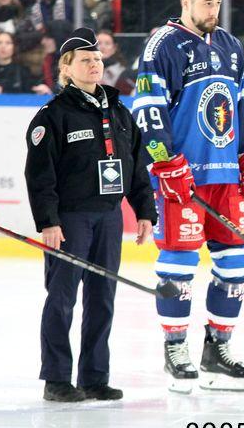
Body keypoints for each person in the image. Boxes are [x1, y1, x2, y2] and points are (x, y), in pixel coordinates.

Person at [132, 0, 244, 393]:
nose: (215, 10)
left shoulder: (230, 46)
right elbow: (147, 109)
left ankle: (217, 348)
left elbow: (238, 107)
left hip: (225, 176)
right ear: (186, 2)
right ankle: (175, 348)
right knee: (179, 263)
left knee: (237, 261)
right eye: (207, 3)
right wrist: (165, 163)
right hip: (183, 177)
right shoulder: (162, 45)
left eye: (218, 2)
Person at [25, 27, 157, 402]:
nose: (95, 64)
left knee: (102, 299)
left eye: (97, 59)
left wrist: (144, 212)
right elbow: (40, 175)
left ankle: (95, 377)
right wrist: (48, 221)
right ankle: (56, 378)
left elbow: (136, 167)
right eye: (85, 60)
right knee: (62, 299)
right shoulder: (53, 116)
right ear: (66, 68)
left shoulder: (118, 111)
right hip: (70, 220)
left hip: (109, 218)